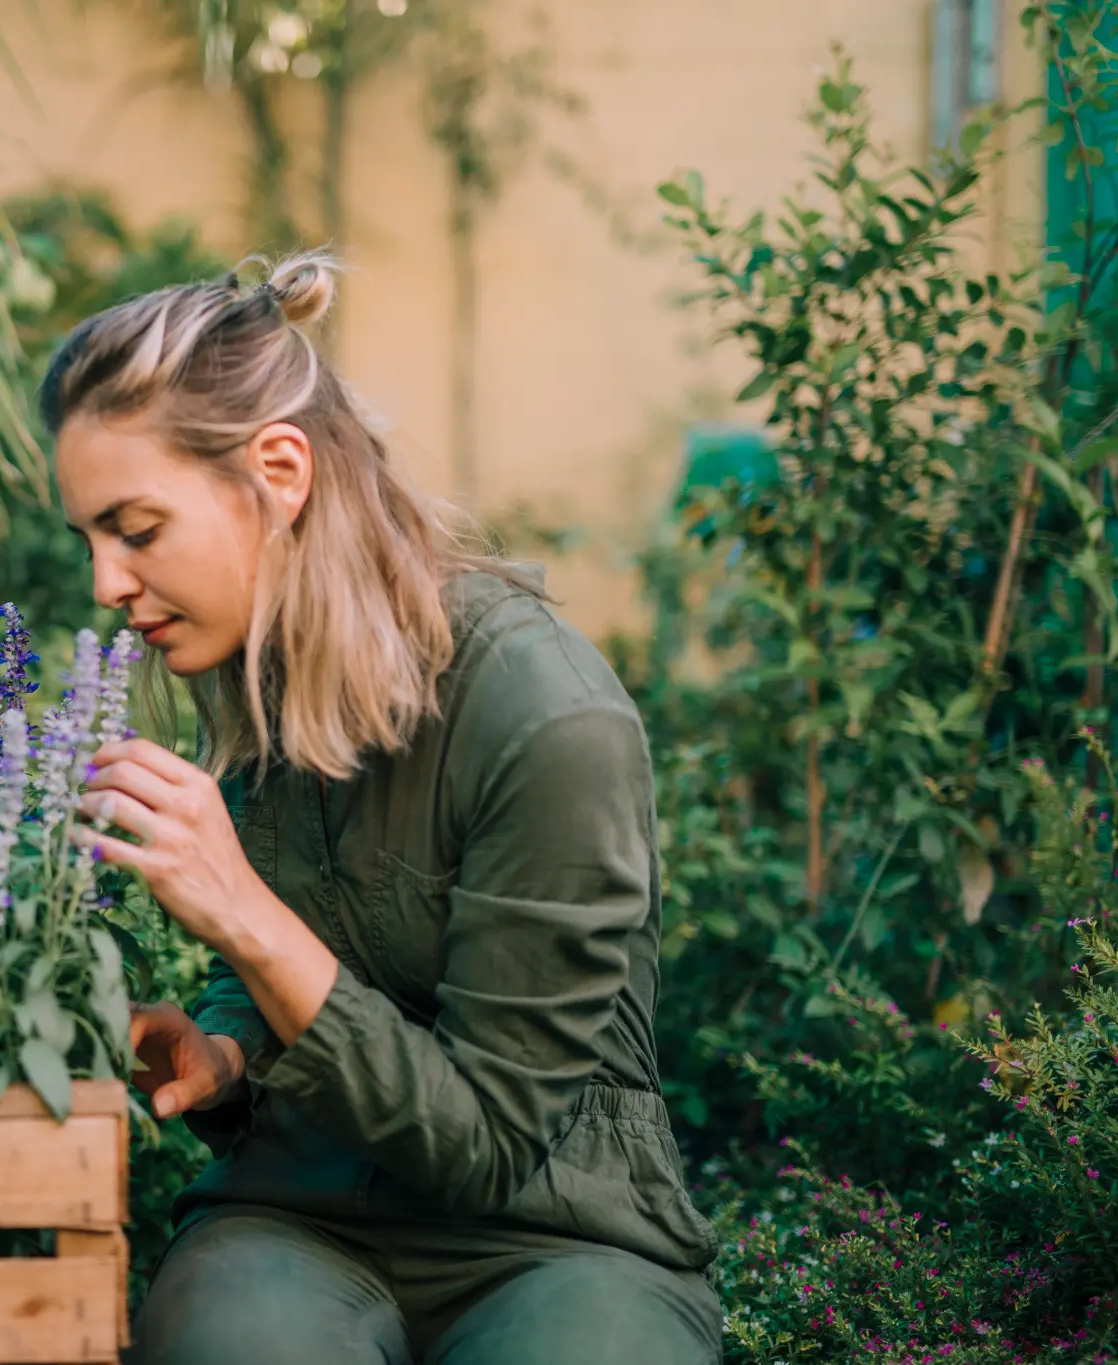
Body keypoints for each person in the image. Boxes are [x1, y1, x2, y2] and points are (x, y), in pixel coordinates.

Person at [40, 251, 722, 1365]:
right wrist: (224, 1051)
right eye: (91, 540)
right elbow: (291, 955)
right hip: (300, 1217)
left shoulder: (545, 714)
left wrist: (242, 912)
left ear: (277, 471)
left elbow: (489, 1148)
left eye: (137, 529)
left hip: (556, 1234)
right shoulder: (251, 665)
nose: (105, 584)